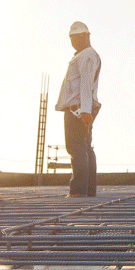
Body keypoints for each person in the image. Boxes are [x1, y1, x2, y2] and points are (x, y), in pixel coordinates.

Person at [55, 21, 101, 198]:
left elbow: (86, 84)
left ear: (86, 36)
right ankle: (88, 190)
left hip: (78, 110)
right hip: (81, 109)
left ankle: (79, 190)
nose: (73, 41)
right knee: (84, 148)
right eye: (71, 38)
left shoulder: (86, 56)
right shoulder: (84, 55)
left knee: (77, 148)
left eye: (76, 37)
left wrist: (85, 111)